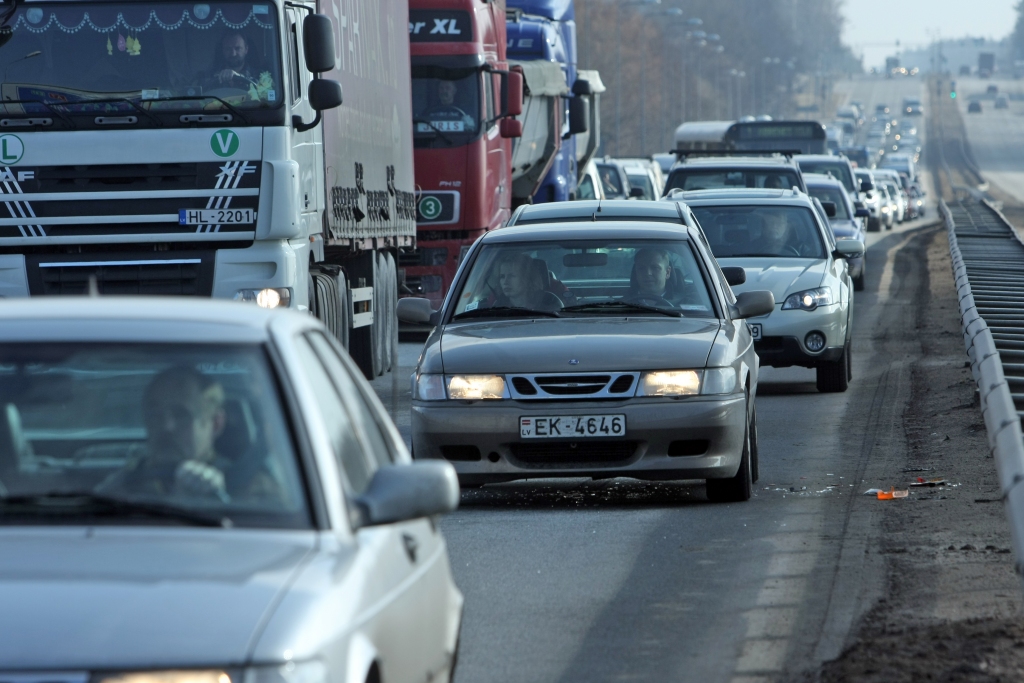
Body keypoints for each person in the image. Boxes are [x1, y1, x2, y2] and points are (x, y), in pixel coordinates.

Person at [99, 368, 279, 503]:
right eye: (155, 415)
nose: (166, 426)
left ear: (215, 423)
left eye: (181, 415)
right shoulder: (124, 484)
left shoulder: (252, 486)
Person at [494, 253, 562, 311]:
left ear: (527, 278)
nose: (505, 282)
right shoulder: (498, 306)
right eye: (502, 276)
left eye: (511, 276)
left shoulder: (549, 302)